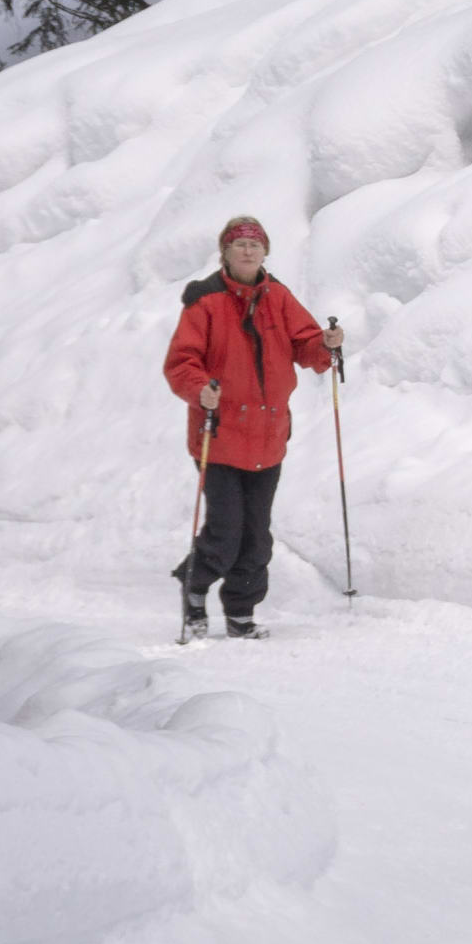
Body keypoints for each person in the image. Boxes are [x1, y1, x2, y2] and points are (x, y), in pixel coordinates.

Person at [162, 214, 340, 640]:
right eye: (239, 244)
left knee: (257, 536)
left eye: (255, 244)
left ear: (265, 252)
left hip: (268, 437)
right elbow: (181, 362)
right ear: (225, 252)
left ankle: (241, 612)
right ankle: (195, 587)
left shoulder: (279, 296)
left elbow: (306, 343)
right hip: (218, 436)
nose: (247, 250)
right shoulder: (205, 300)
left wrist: (326, 346)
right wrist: (199, 388)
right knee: (226, 531)